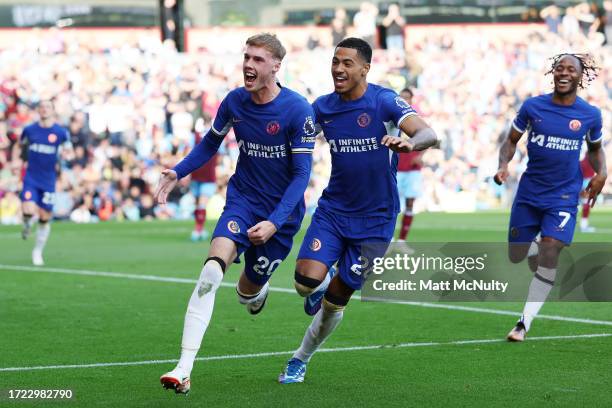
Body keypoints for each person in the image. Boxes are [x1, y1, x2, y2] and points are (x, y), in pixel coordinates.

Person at [154, 33, 316, 394]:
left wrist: (275, 222)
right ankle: (183, 368)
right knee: (212, 271)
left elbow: (302, 175)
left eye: (258, 59)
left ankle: (257, 293)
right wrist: (178, 171)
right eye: (246, 57)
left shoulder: (298, 110)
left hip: (281, 216)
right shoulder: (234, 102)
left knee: (246, 294)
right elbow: (210, 143)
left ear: (276, 66)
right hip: (241, 202)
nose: (248, 64)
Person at [278, 37, 437, 384]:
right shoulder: (322, 107)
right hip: (334, 210)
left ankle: (300, 358)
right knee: (305, 283)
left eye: (347, 63)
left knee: (337, 299)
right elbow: (293, 140)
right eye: (335, 62)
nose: (339, 69)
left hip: (377, 220)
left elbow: (428, 133)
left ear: (365, 68)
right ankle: (316, 290)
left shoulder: (383, 101)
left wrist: (410, 143)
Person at [494, 54, 606, 342]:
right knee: (517, 255)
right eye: (560, 68)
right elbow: (511, 140)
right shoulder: (533, 107)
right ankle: (535, 244)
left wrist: (602, 172)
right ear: (553, 73)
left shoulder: (590, 115)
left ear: (581, 77)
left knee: (550, 250)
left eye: (571, 69)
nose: (564, 73)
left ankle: (523, 324)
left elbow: (594, 149)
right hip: (529, 193)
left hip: (564, 196)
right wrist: (503, 165)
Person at [19, 99, 72, 266]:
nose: (44, 110)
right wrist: (17, 162)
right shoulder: (29, 130)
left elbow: (68, 151)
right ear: (38, 111)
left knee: (44, 217)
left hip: (48, 180)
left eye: (47, 107)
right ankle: (27, 223)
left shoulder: (61, 133)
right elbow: (20, 147)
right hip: (31, 177)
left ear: (53, 110)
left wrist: (65, 161)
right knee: (28, 208)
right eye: (41, 107)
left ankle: (37, 251)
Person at [395, 88, 423, 247]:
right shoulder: (393, 118)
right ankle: (387, 239)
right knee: (391, 204)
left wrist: (421, 156)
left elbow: (429, 138)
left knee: (410, 204)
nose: (405, 100)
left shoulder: (417, 119)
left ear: (412, 100)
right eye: (402, 97)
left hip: (413, 171)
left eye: (407, 98)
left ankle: (401, 241)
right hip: (396, 168)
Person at [189, 116, 218, 241]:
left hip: (205, 176)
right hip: (198, 175)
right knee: (198, 205)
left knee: (201, 203)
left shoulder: (195, 136)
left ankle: (198, 229)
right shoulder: (214, 135)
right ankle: (199, 228)